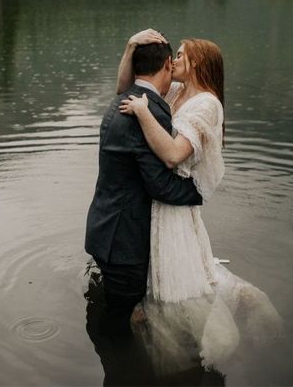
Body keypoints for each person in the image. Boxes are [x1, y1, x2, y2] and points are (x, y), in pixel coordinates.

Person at [117, 29, 283, 375]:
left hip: (173, 198)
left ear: (198, 63)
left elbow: (174, 155)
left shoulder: (206, 103)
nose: (172, 60)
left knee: (176, 289)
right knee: (174, 269)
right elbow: (127, 87)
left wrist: (144, 113)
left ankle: (183, 359)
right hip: (165, 197)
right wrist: (132, 46)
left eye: (179, 54)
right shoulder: (178, 91)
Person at [85, 34, 203, 338]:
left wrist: (130, 47)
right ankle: (117, 363)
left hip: (105, 227)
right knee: (118, 321)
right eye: (172, 59)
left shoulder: (123, 98)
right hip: (123, 242)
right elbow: (159, 185)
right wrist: (198, 191)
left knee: (116, 309)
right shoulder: (150, 109)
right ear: (166, 64)